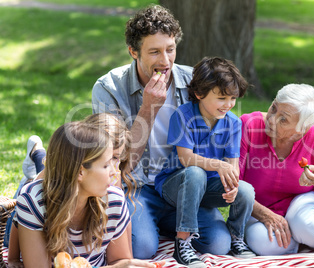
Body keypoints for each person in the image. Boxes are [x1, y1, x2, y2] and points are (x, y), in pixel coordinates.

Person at [92, 5, 232, 259]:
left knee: (219, 244)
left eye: (170, 50)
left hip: (182, 185)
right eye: (154, 52)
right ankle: (151, 224)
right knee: (142, 249)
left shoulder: (194, 83)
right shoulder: (109, 88)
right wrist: (148, 109)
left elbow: (228, 117)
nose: (165, 61)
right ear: (133, 52)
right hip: (136, 187)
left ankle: (166, 225)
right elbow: (118, 162)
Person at [15, 120, 162, 268]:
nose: (113, 172)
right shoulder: (33, 201)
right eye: (105, 165)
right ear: (80, 172)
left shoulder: (114, 200)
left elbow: (119, 261)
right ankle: (36, 157)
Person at [154, 57, 256, 267]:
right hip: (175, 185)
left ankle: (237, 238)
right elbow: (186, 158)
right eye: (221, 98)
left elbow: (232, 163)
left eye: (233, 98)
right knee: (195, 172)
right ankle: (183, 243)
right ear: (199, 94)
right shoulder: (183, 115)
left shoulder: (233, 123)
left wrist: (232, 185)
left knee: (246, 190)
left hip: (206, 189)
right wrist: (218, 165)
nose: (228, 104)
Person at [239, 84, 314, 255]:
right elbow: (233, 185)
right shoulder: (249, 126)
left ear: (301, 130)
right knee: (263, 242)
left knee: (308, 225)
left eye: (283, 119)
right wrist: (266, 215)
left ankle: (307, 234)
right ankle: (307, 243)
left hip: (301, 207)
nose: (272, 119)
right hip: (257, 210)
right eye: (274, 108)